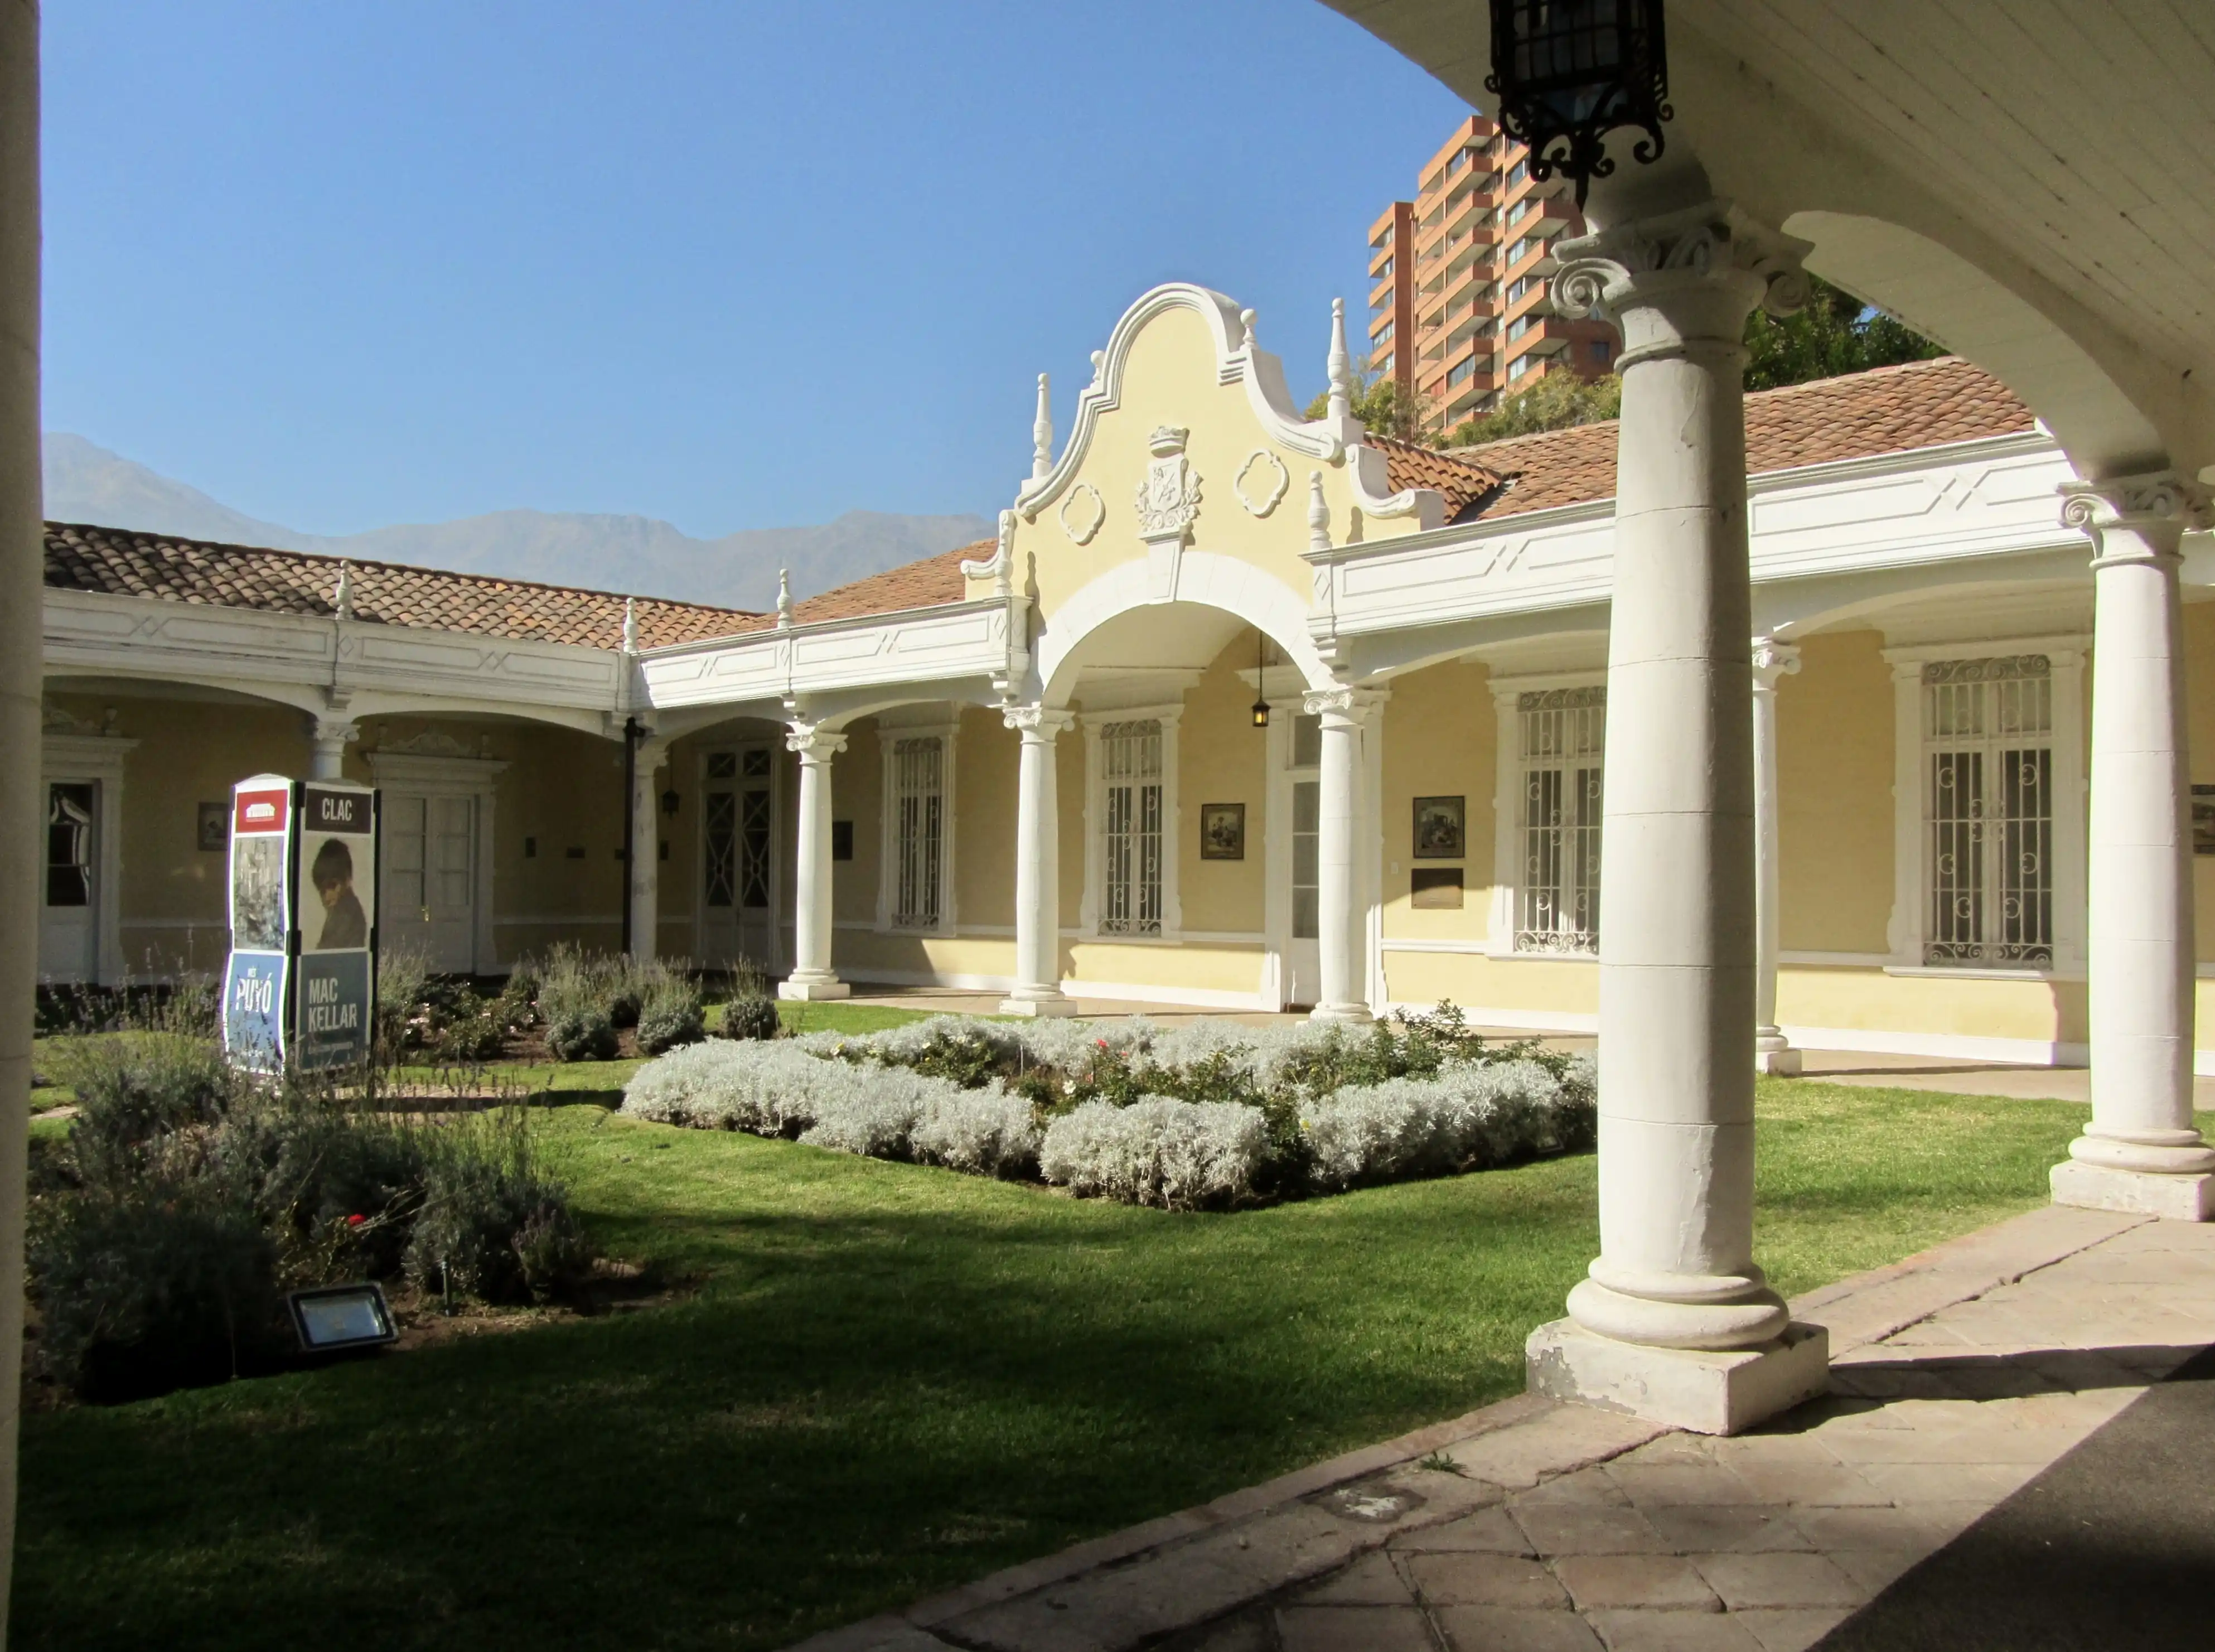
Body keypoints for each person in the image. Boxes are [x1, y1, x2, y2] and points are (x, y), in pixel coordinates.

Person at [309, 837, 367, 950]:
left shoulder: (346, 916)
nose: (327, 896)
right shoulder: (338, 913)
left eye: (332, 886)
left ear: (347, 880)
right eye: (322, 891)